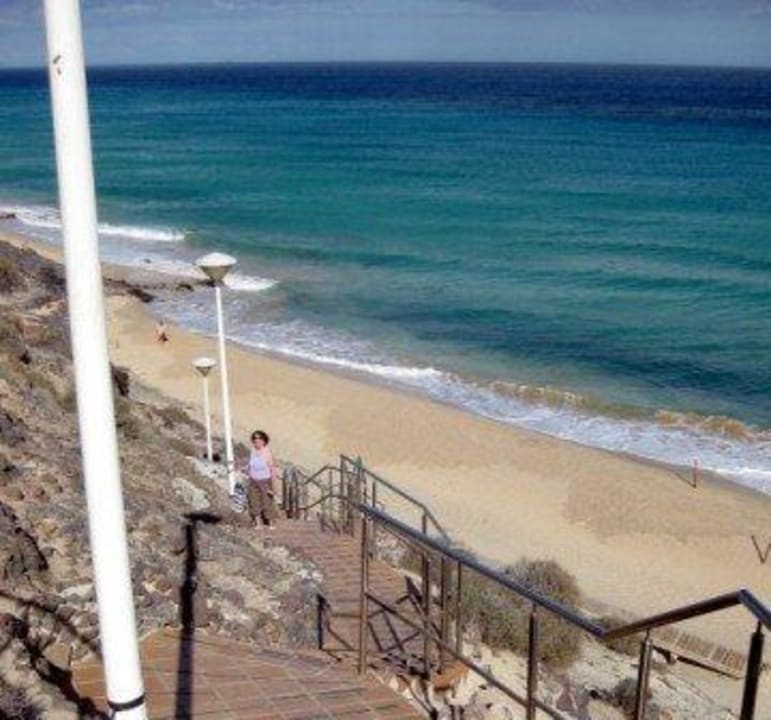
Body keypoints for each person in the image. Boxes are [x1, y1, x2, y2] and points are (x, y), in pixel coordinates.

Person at [244, 430, 278, 528]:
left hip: (265, 481)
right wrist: (245, 469)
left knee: (267, 503)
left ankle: (271, 523)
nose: (257, 440)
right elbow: (250, 465)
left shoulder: (267, 452)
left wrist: (274, 487)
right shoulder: (252, 452)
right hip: (253, 481)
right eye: (254, 438)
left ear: (264, 440)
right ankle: (258, 523)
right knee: (254, 502)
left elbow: (272, 469)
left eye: (259, 438)